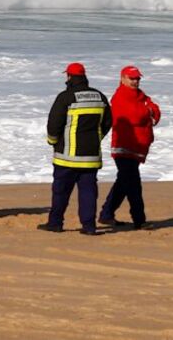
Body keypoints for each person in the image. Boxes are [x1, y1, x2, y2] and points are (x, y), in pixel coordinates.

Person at [39, 62, 112, 235]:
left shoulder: (66, 97)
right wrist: (97, 138)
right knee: (88, 193)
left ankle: (55, 223)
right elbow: (108, 122)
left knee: (60, 192)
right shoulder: (100, 96)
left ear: (69, 77)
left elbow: (54, 123)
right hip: (91, 157)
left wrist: (52, 141)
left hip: (66, 157)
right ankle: (89, 227)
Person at [99, 65, 161, 230]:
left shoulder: (140, 95)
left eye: (137, 78)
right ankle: (139, 220)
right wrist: (147, 111)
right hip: (124, 147)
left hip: (138, 146)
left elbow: (155, 111)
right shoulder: (120, 97)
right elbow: (135, 117)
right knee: (133, 184)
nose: (135, 81)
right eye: (132, 78)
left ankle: (106, 214)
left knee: (123, 183)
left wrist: (148, 111)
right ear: (123, 79)